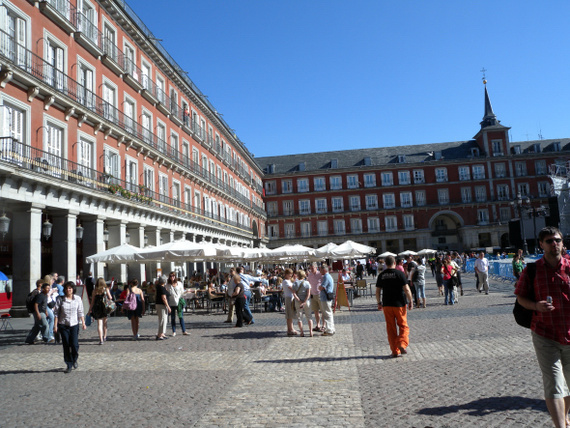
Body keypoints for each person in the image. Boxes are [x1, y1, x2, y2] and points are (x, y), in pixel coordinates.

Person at [515, 226, 570, 428]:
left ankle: (564, 417)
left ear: (563, 243)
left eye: (557, 240)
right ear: (541, 245)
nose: (554, 243)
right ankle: (560, 426)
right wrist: (535, 306)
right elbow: (520, 297)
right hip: (545, 333)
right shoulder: (533, 269)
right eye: (549, 241)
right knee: (554, 383)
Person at [376, 255, 413, 358]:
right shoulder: (400, 274)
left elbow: (378, 291)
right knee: (403, 325)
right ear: (395, 263)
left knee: (391, 328)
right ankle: (402, 343)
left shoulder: (381, 275)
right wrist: (411, 301)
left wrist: (379, 302)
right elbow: (406, 288)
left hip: (387, 304)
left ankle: (394, 351)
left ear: (386, 264)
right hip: (399, 304)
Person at [53, 281, 86, 373]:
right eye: (67, 288)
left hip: (74, 324)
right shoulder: (60, 299)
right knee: (66, 344)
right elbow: (56, 313)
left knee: (74, 345)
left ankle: (74, 358)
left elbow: (80, 311)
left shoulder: (77, 299)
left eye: (70, 288)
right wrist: (55, 326)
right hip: (63, 324)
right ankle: (69, 364)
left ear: (73, 289)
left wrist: (83, 323)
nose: (68, 290)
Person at [89, 278, 112, 345]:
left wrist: (89, 310)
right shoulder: (105, 289)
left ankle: (101, 339)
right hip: (104, 307)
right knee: (105, 323)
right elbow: (110, 297)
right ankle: (105, 336)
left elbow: (92, 302)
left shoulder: (95, 291)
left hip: (97, 307)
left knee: (99, 324)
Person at [167, 272, 188, 336]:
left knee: (181, 316)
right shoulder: (168, 285)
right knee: (173, 317)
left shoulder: (179, 284)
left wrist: (185, 293)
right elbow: (166, 293)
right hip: (172, 302)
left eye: (173, 276)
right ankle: (174, 331)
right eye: (171, 276)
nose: (172, 277)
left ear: (175, 276)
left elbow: (182, 292)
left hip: (179, 302)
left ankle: (184, 330)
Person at [293, 269, 313, 337]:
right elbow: (308, 294)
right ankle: (310, 332)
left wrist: (299, 301)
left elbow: (294, 293)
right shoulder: (307, 283)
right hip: (307, 302)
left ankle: (302, 332)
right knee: (309, 317)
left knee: (299, 318)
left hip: (298, 302)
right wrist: (304, 301)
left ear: (298, 275)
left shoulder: (295, 283)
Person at [318, 265, 335, 336]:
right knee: (329, 313)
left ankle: (329, 330)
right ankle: (331, 329)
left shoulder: (326, 276)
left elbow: (322, 287)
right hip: (327, 297)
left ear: (324, 270)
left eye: (320, 270)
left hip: (325, 298)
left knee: (327, 314)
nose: (320, 271)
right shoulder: (328, 276)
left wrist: (320, 287)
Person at [307, 263, 323, 332]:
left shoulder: (320, 274)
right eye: (310, 268)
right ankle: (318, 325)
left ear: (316, 268)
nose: (311, 269)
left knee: (322, 311)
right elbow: (308, 284)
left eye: (312, 268)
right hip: (313, 295)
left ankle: (324, 325)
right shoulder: (310, 275)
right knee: (316, 311)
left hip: (320, 294)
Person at [282, 268, 297, 336]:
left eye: (291, 274)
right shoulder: (285, 281)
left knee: (290, 314)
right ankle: (290, 329)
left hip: (291, 298)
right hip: (288, 298)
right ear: (286, 274)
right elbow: (292, 289)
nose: (290, 275)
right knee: (289, 314)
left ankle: (291, 328)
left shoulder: (289, 281)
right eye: (289, 274)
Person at [155, 276, 171, 340]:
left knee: (164, 319)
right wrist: (168, 306)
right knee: (162, 320)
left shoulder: (161, 287)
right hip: (161, 305)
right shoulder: (161, 288)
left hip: (161, 305)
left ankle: (162, 333)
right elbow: (164, 298)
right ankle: (159, 334)